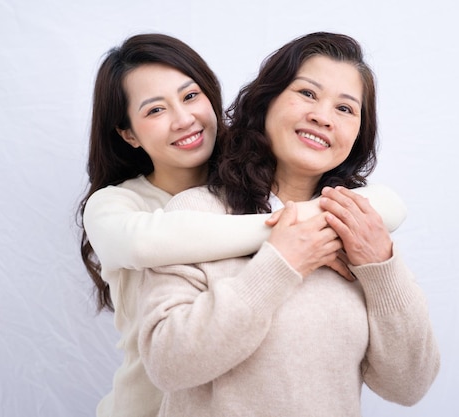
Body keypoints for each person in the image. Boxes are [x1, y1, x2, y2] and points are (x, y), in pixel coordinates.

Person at [78, 34, 407, 417]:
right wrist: (289, 237)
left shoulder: (247, 177)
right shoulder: (116, 205)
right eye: (155, 110)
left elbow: (389, 204)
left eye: (190, 96)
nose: (184, 119)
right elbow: (144, 243)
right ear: (128, 132)